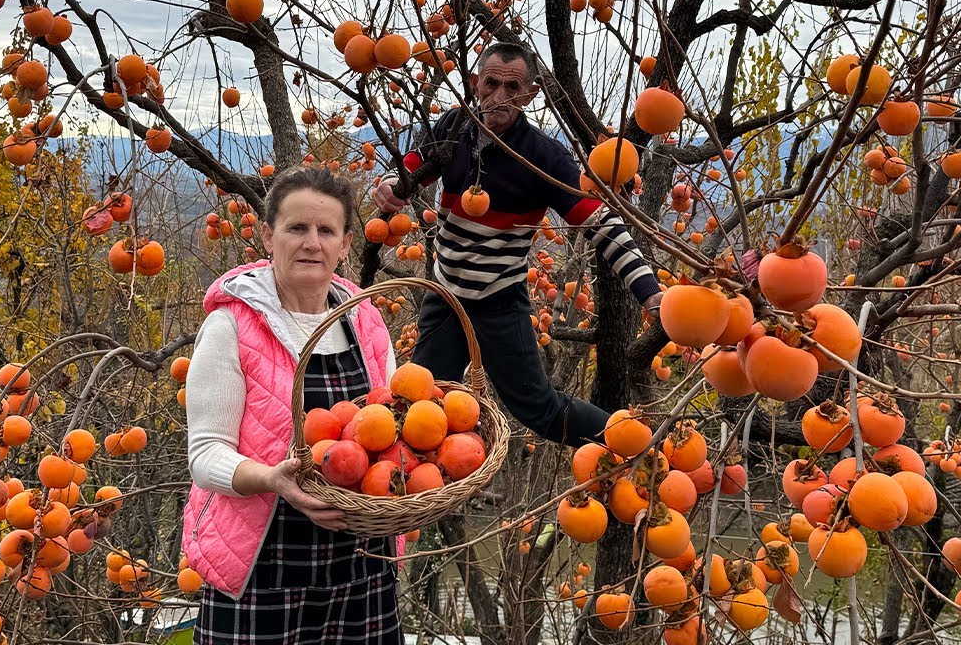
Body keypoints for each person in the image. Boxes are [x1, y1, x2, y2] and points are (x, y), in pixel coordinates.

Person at [374, 42, 662, 447]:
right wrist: (390, 186)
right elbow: (409, 166)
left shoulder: (544, 157)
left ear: (531, 94)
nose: (500, 97)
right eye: (491, 84)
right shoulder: (452, 128)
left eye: (513, 88)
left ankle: (631, 444)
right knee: (420, 403)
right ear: (475, 84)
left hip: (499, 299)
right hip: (446, 296)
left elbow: (602, 223)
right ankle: (413, 494)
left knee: (538, 408)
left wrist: (649, 293)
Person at [183, 167, 402, 644]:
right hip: (263, 571)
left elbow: (396, 427)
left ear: (345, 244)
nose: (311, 243)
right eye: (296, 228)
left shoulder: (365, 322)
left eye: (326, 231)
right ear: (268, 235)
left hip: (362, 569)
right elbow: (205, 456)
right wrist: (272, 480)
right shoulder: (231, 327)